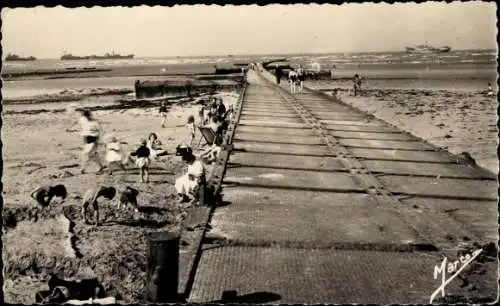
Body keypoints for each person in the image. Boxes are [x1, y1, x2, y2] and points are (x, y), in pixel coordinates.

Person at [78, 109, 105, 174]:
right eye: (85, 116)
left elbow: (100, 131)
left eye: (87, 116)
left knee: (86, 153)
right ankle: (100, 166)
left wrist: (98, 141)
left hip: (93, 138)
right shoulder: (83, 121)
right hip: (87, 139)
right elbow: (83, 131)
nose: (86, 117)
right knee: (92, 154)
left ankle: (83, 169)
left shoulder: (95, 122)